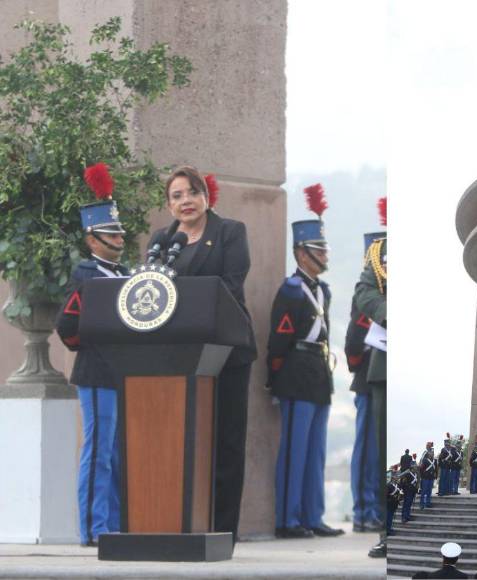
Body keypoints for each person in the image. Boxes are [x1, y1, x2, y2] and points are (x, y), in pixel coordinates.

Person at [153, 167, 257, 545]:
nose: (185, 201)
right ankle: (184, 521)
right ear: (169, 204)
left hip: (226, 350)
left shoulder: (230, 232)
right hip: (178, 356)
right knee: (184, 442)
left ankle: (223, 528)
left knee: (226, 441)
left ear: (206, 196)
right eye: (177, 195)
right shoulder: (161, 241)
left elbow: (230, 285)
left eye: (191, 193)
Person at [56, 167, 129, 547]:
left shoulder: (126, 273)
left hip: (124, 373)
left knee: (117, 454)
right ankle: (94, 528)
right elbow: (67, 324)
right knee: (99, 451)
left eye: (119, 232)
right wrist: (96, 343)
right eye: (110, 233)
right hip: (97, 369)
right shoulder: (86, 274)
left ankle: (114, 524)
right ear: (92, 238)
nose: (118, 238)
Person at [267, 183, 342, 539]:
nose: (325, 255)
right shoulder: (290, 290)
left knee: (315, 451)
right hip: (295, 370)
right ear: (301, 253)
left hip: (318, 371)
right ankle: (287, 518)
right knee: (295, 450)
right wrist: (275, 376)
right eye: (318, 249)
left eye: (324, 248)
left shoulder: (322, 291)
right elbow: (279, 338)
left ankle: (313, 515)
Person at [354, 219, 387, 557]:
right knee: (381, 447)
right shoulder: (381, 251)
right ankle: (387, 529)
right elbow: (364, 291)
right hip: (385, 361)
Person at [346, 237, 383, 533]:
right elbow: (353, 340)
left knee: (376, 450)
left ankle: (374, 510)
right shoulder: (368, 292)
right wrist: (357, 366)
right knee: (368, 449)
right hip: (368, 377)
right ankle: (363, 512)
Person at [420, 444, 437, 509]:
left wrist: (435, 475)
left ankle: (428, 503)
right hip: (425, 477)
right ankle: (422, 504)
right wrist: (423, 475)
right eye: (431, 452)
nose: (432, 454)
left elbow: (436, 469)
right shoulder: (425, 460)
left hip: (431, 477)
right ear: (428, 453)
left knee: (429, 491)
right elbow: (421, 469)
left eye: (433, 453)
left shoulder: (434, 461)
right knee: (424, 491)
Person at [386, 468, 401, 536]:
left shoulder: (397, 486)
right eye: (396, 477)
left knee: (391, 517)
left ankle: (389, 528)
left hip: (394, 504)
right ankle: (387, 530)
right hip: (389, 504)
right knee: (388, 517)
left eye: (397, 477)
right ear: (393, 478)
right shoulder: (389, 486)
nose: (397, 478)